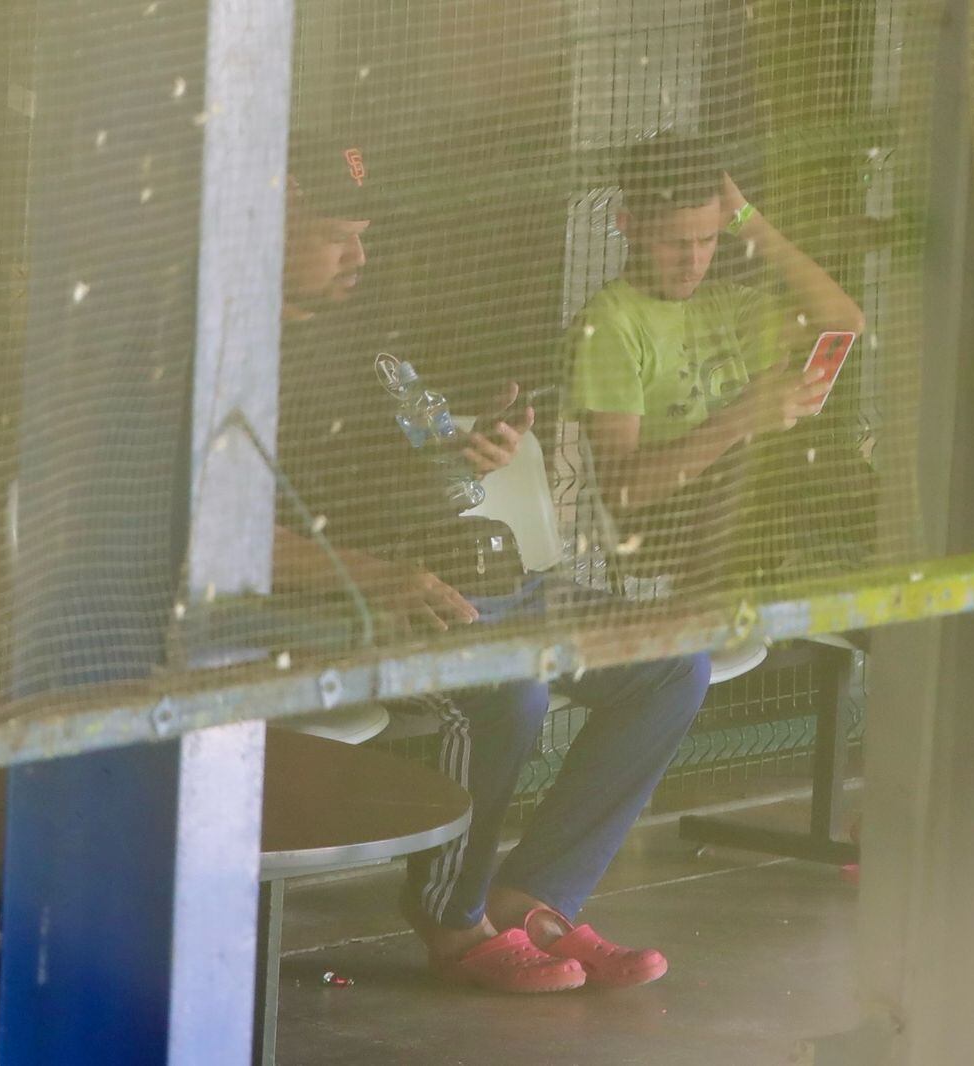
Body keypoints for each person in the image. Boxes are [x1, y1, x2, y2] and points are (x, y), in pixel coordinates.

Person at [273, 137, 712, 993]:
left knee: (668, 663)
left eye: (365, 233)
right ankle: (451, 920)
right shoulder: (230, 359)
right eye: (338, 235)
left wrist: (471, 448)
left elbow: (401, 469)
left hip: (465, 583)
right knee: (510, 690)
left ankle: (536, 896)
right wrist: (380, 576)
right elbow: (225, 541)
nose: (360, 256)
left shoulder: (357, 337)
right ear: (269, 222)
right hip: (350, 611)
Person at [566, 134, 866, 589]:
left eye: (707, 239)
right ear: (628, 225)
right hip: (666, 523)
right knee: (816, 486)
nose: (693, 262)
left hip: (755, 506)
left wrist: (751, 223)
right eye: (674, 243)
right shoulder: (609, 325)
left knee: (841, 484)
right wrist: (741, 420)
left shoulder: (722, 303)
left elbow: (844, 321)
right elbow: (623, 492)